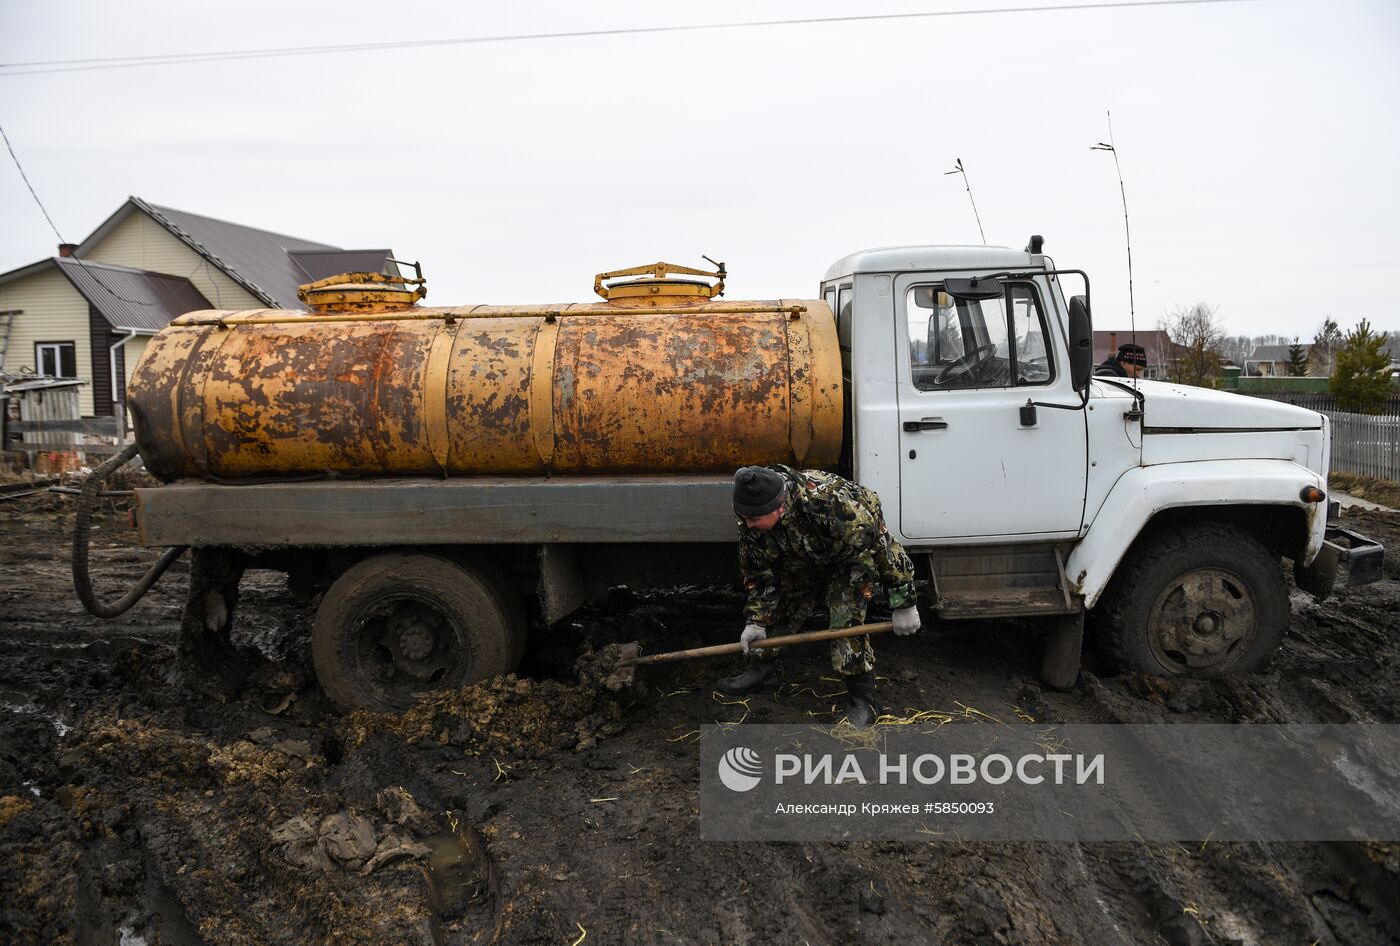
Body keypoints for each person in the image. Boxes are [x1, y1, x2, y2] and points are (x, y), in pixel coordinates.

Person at [719, 465, 921, 727]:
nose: (748, 524)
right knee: (778, 606)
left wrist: (904, 603)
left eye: (754, 519)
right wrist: (756, 621)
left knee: (845, 623)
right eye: (745, 518)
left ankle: (863, 700)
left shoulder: (834, 505)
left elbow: (884, 548)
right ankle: (763, 669)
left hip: (848, 559)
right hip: (802, 557)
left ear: (779, 507)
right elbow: (758, 572)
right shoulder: (751, 514)